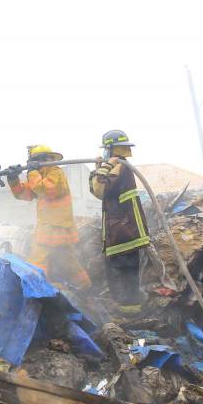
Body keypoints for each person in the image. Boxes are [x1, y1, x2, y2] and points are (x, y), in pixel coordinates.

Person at [8, 145, 91, 290]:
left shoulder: (55, 173)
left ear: (42, 160)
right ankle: (86, 288)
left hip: (54, 228)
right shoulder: (41, 177)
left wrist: (32, 172)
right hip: (54, 228)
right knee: (67, 261)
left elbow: (45, 190)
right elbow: (24, 194)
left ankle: (38, 290)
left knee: (37, 261)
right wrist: (13, 179)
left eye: (33, 162)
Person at [89, 130, 150, 316]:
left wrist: (103, 167)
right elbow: (96, 189)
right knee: (122, 276)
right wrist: (98, 168)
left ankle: (129, 316)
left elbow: (101, 190)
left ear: (110, 149)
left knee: (122, 276)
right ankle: (128, 312)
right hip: (122, 231)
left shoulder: (119, 167)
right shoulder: (117, 166)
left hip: (124, 232)